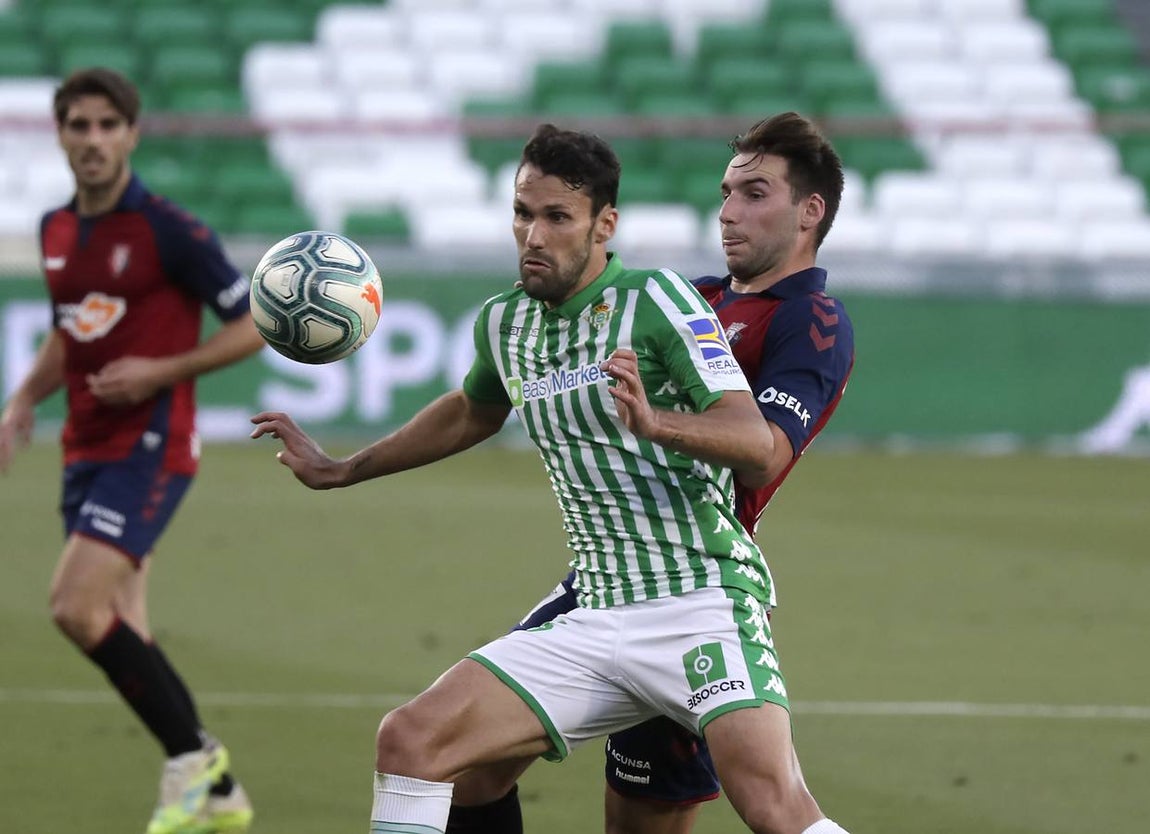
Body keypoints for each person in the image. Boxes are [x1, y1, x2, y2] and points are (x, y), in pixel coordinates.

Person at [252, 122, 851, 834]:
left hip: (698, 597)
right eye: (522, 214)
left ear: (604, 225)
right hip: (595, 603)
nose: (533, 235)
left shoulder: (665, 301)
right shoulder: (506, 323)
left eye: (555, 217)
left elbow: (759, 445)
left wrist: (656, 423)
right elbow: (472, 409)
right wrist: (345, 468)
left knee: (772, 808)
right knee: (413, 742)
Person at [445, 111, 856, 834]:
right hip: (605, 575)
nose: (728, 211)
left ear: (809, 211)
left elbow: (765, 448)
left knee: (712, 812)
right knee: (468, 760)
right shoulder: (686, 298)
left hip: (693, 581)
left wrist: (656, 422)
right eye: (727, 191)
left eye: (754, 193)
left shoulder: (811, 322)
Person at [0, 67, 263, 834]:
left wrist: (163, 369)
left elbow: (251, 323)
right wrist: (22, 400)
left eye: (106, 125)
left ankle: (191, 757)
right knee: (125, 627)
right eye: (78, 126)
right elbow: (70, 327)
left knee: (74, 607)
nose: (92, 140)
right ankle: (219, 795)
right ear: (60, 135)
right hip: (83, 444)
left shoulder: (169, 231)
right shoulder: (54, 229)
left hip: (152, 445)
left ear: (132, 134)